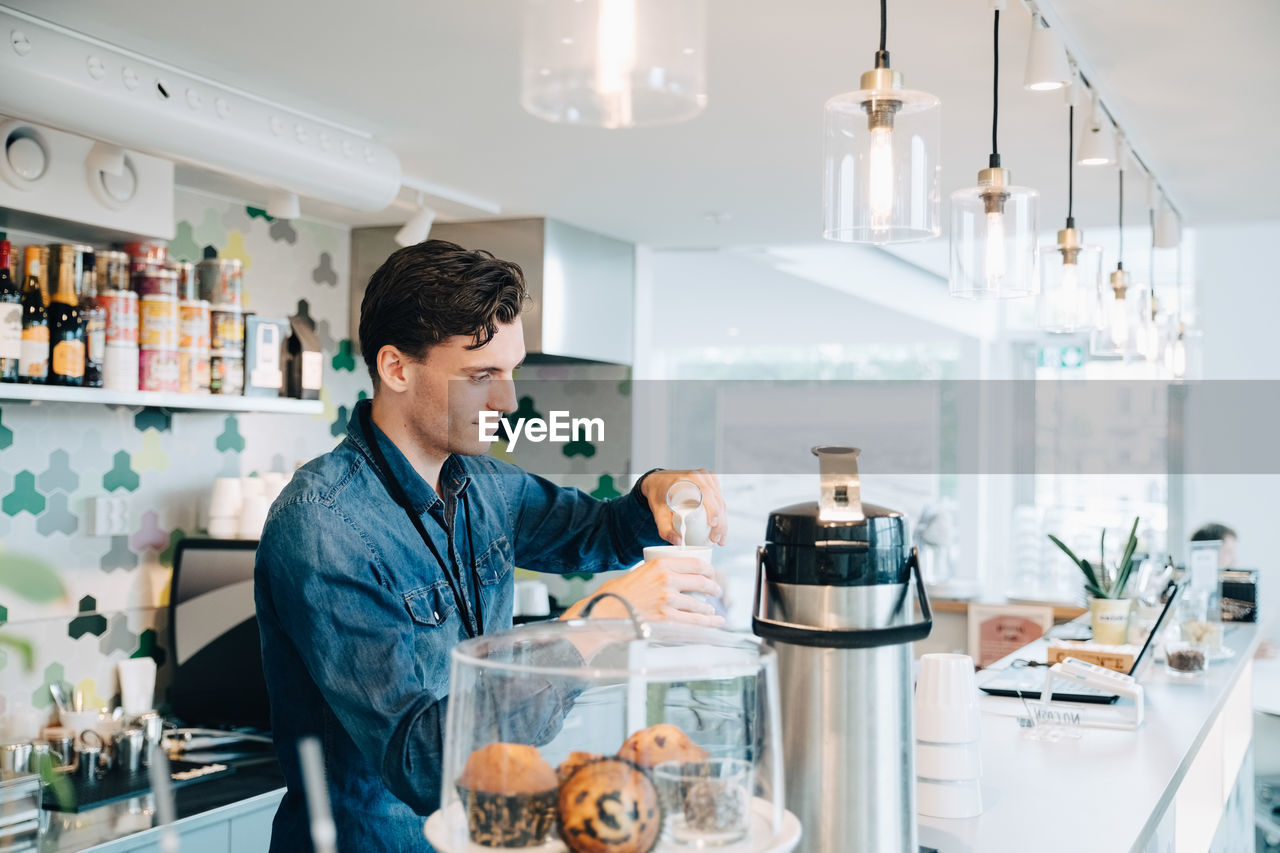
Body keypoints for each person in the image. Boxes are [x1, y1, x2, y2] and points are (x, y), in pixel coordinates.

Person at [254, 240, 728, 852]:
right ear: (396, 368)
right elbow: (425, 763)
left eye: (511, 372)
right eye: (480, 377)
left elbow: (602, 533)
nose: (507, 402)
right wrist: (596, 624)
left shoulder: (485, 485)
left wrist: (658, 491)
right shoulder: (321, 526)